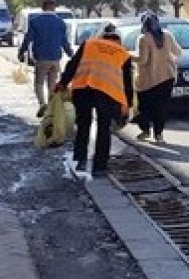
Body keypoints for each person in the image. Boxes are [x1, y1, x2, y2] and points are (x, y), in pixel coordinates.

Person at [56, 23, 133, 176]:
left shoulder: (89, 44)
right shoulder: (123, 53)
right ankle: (100, 166)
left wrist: (62, 83)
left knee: (83, 124)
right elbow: (127, 83)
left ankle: (81, 159)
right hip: (107, 93)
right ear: (118, 39)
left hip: (83, 88)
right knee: (104, 128)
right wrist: (127, 105)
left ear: (101, 36)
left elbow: (73, 65)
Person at [18, 0, 74, 118]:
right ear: (53, 8)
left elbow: (28, 38)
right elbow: (64, 41)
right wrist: (71, 54)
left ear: (42, 7)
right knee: (52, 84)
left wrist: (21, 52)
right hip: (55, 58)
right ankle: (50, 106)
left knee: (39, 83)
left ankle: (42, 104)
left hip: (41, 58)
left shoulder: (34, 21)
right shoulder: (60, 22)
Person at [135, 12, 182, 143]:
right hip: (167, 76)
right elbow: (178, 52)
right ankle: (159, 135)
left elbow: (143, 60)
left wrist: (129, 57)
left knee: (144, 107)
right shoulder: (167, 35)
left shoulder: (143, 38)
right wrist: (167, 58)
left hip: (148, 80)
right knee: (160, 107)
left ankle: (145, 131)